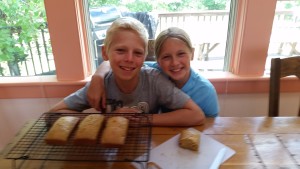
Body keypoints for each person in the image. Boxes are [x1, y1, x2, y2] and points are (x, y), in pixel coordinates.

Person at [48, 17, 205, 126]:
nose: (129, 58)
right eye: (121, 50)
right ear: (105, 53)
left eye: (137, 53)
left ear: (144, 57)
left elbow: (196, 115)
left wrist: (141, 120)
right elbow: (53, 114)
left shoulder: (154, 80)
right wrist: (106, 120)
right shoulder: (101, 84)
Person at [88, 27, 219, 117]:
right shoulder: (155, 71)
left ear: (192, 54)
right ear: (158, 61)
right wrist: (97, 78)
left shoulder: (206, 91)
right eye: (166, 57)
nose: (174, 63)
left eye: (181, 54)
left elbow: (212, 127)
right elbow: (117, 64)